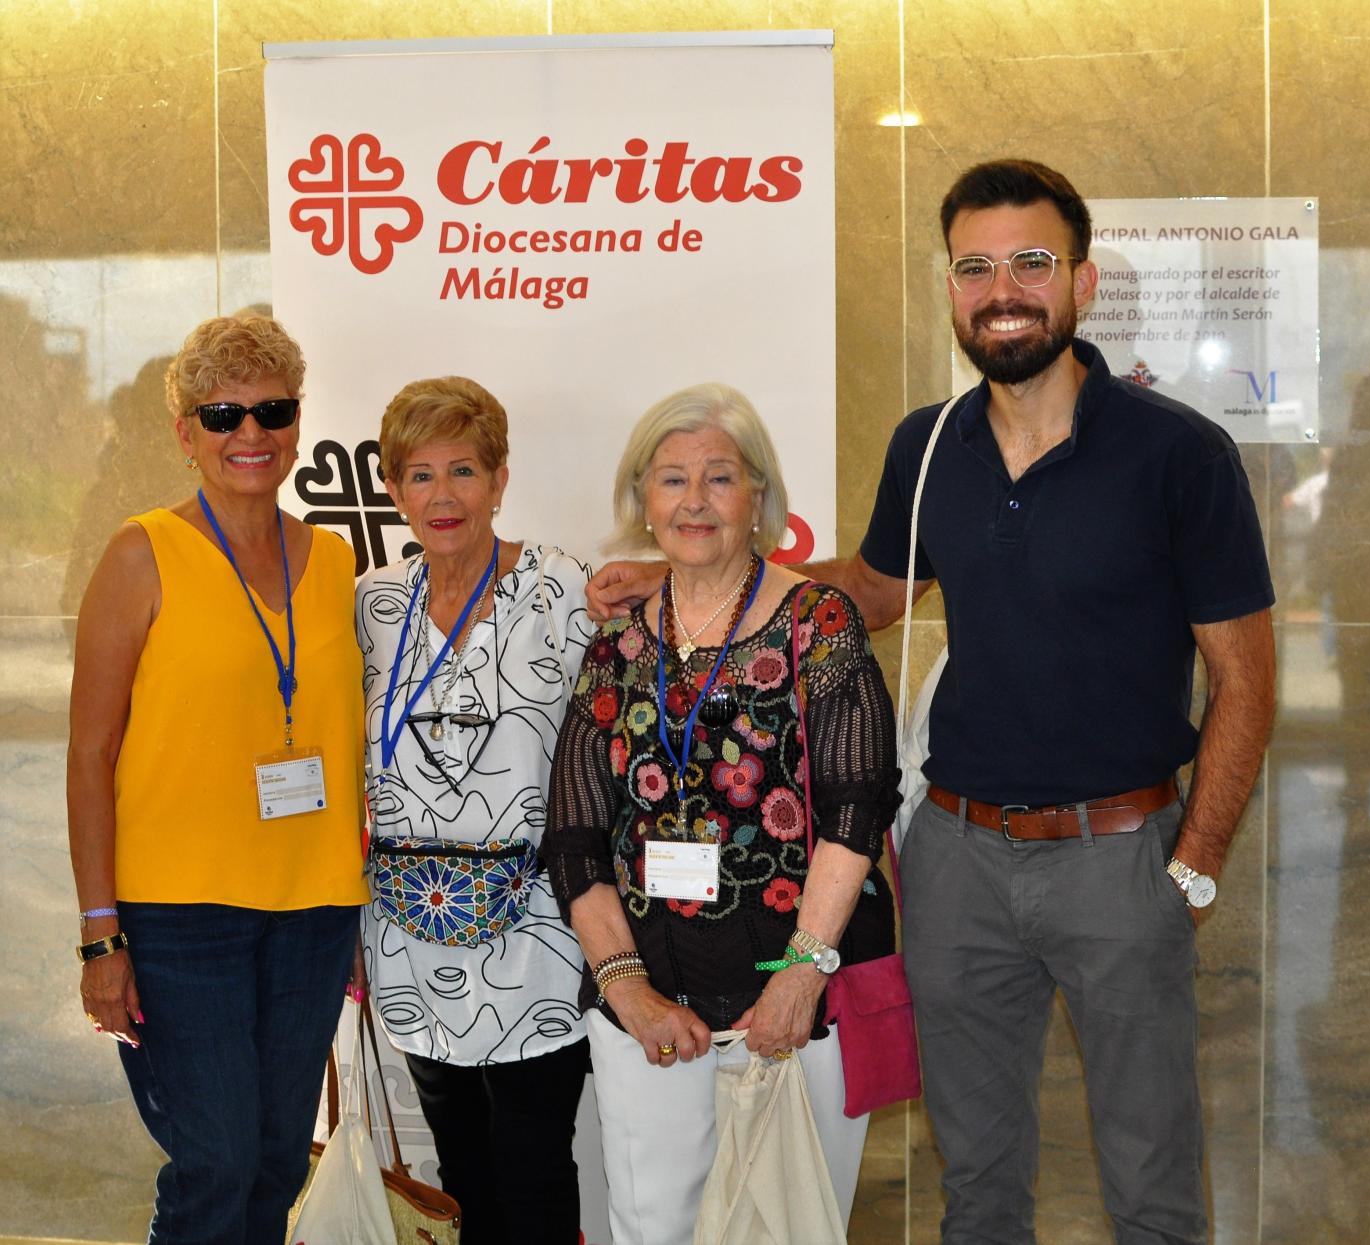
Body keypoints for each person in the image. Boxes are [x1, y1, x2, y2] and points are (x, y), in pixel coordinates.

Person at [586, 161, 1277, 1244]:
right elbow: (868, 591)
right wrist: (703, 572)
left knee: (1148, 1175)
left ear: (1082, 283)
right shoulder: (926, 444)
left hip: (1119, 850)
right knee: (975, 1175)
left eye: (1030, 263)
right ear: (950, 288)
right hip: (954, 858)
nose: (1002, 289)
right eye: (975, 267)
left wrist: (1192, 862)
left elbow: (1245, 677)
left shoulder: (1176, 454)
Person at [543, 382, 899, 1245]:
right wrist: (625, 988)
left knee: (793, 1223)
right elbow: (576, 835)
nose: (694, 500)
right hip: (649, 997)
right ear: (643, 501)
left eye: (719, 478)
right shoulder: (618, 641)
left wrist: (801, 974)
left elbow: (857, 814)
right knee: (652, 1224)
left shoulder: (822, 625)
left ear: (760, 500)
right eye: (670, 479)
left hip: (796, 997)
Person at [66, 314, 368, 1244]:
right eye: (223, 412)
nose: (250, 432)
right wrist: (97, 937)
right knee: (217, 1160)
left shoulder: (334, 562)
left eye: (271, 409)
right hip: (177, 918)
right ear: (184, 430)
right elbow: (90, 753)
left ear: (297, 419)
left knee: (278, 1158)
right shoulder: (140, 553)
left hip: (313, 913)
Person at [357, 376, 594, 1245]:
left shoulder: (563, 588)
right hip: (408, 932)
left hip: (536, 926)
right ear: (392, 489)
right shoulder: (374, 603)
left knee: (534, 1163)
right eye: (419, 475)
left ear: (499, 479)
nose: (443, 495)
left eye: (464, 469)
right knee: (458, 1167)